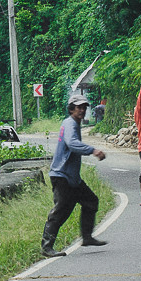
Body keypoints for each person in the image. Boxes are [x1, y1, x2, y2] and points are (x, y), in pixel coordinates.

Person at [41, 93, 108, 258]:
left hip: (72, 178)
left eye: (84, 107)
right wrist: (93, 150)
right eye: (79, 107)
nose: (82, 110)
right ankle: (46, 246)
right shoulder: (70, 123)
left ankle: (86, 237)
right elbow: (72, 144)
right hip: (62, 175)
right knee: (60, 211)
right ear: (71, 109)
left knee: (91, 201)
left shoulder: (74, 124)